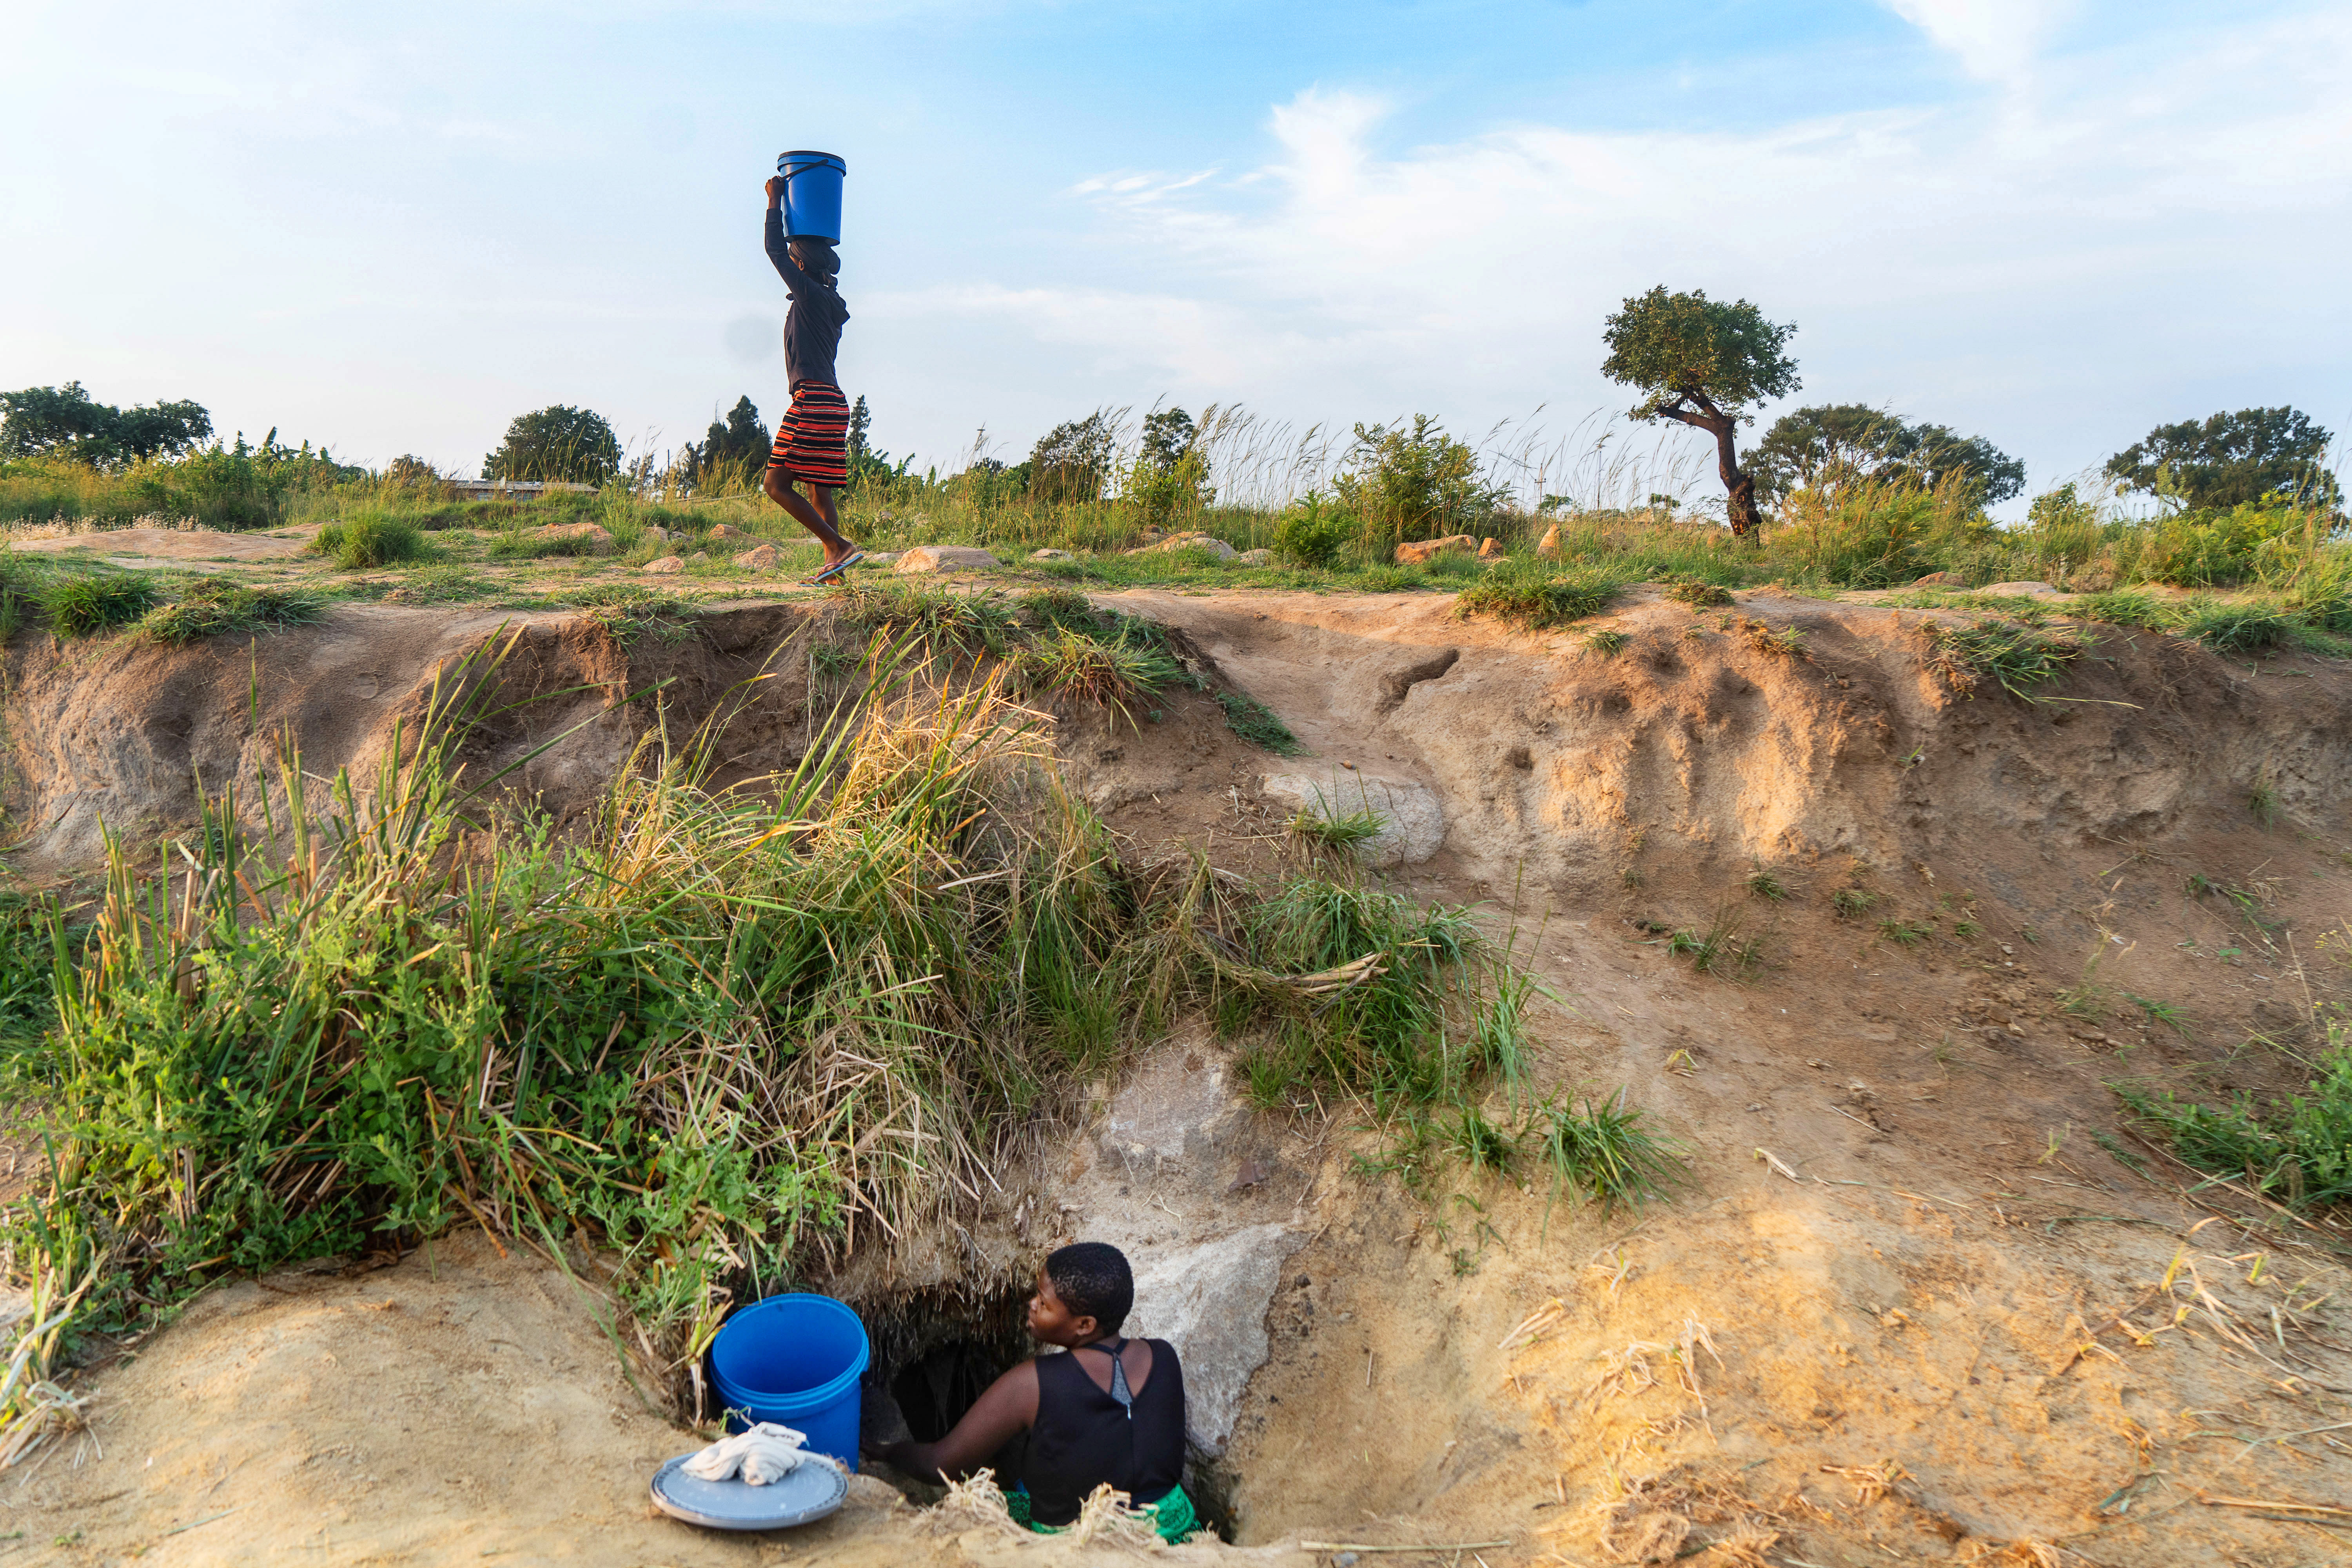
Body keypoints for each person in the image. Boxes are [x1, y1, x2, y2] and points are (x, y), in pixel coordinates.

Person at [864, 1242, 1198, 1543]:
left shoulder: (1031, 1384)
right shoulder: (1164, 1357)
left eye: (1045, 1303)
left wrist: (889, 1452)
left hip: (1083, 1542)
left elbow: (941, 1466)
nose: (1032, 1304)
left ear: (1085, 1325)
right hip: (1175, 1531)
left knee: (973, 1507)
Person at [760, 176, 862, 584]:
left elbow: (772, 250)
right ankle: (834, 568)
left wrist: (774, 202)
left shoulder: (810, 296)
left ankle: (838, 547)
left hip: (814, 399)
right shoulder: (829, 302)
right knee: (820, 490)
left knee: (775, 484)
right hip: (833, 401)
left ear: (800, 265)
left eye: (793, 258)